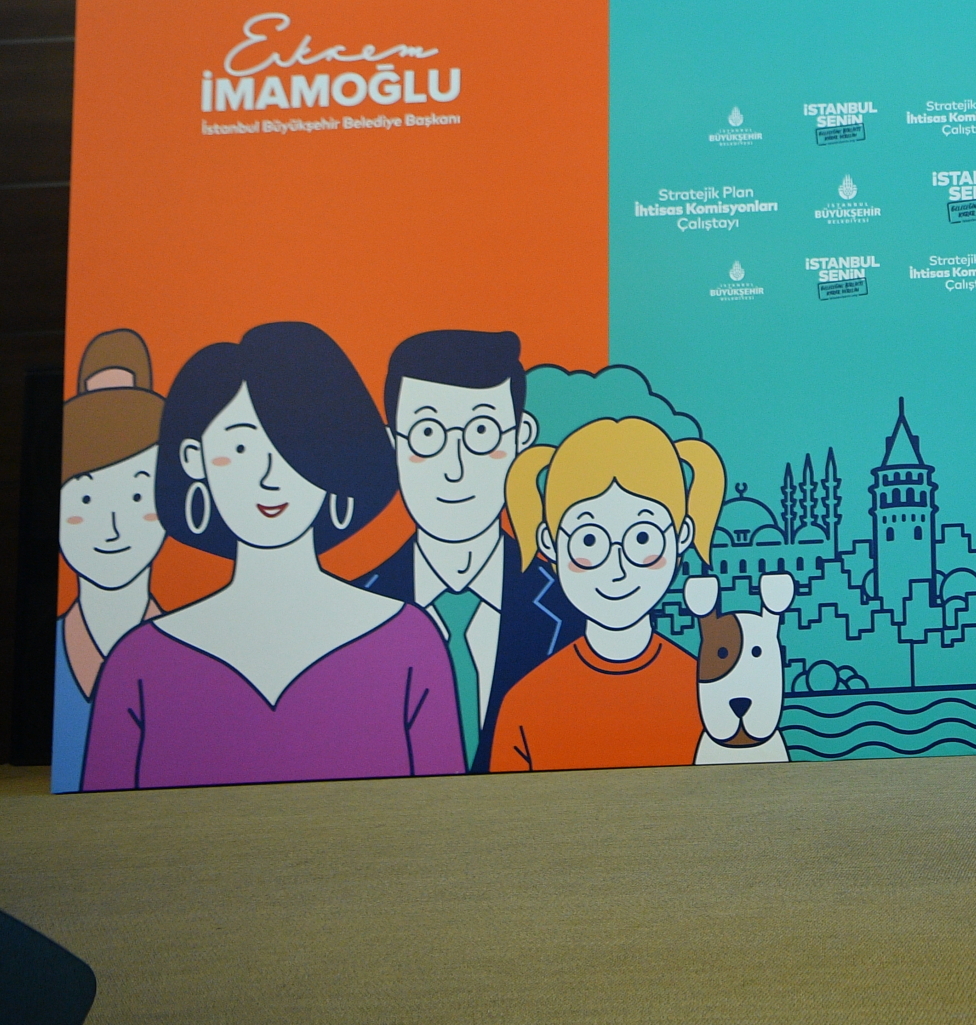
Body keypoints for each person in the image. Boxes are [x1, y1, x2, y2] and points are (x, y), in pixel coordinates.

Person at [84, 322, 465, 789]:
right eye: (241, 446)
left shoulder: (409, 641)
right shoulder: (139, 663)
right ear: (193, 459)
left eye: (295, 445)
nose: (270, 476)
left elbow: (448, 804)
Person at [357, 330, 573, 771]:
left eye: (481, 432)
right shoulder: (355, 611)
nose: (454, 469)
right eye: (427, 434)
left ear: (521, 437)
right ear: (392, 445)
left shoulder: (572, 606)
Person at [488, 417, 724, 772]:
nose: (617, 569)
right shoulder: (526, 701)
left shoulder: (708, 693)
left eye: (642, 538)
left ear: (681, 536)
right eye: (589, 541)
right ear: (549, 543)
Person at [54, 373, 168, 791]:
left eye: (137, 497)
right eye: (86, 499)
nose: (113, 528)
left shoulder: (191, 650)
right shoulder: (52, 654)